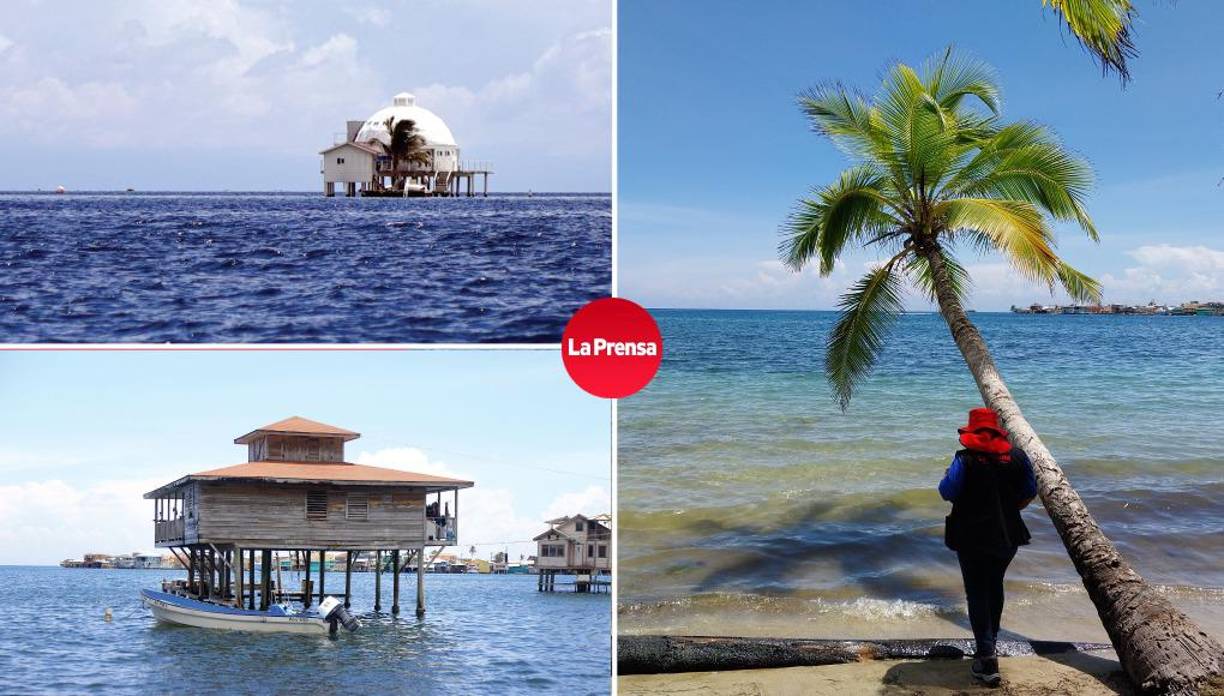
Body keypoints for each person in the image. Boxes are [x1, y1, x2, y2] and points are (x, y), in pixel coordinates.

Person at [939, 407, 1037, 686]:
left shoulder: (964, 460)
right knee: (994, 587)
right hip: (1008, 536)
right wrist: (1011, 507)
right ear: (997, 431)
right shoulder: (1017, 457)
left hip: (970, 537)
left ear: (971, 433)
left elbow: (947, 491)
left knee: (977, 593)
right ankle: (989, 646)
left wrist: (947, 474)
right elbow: (1030, 491)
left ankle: (986, 657)